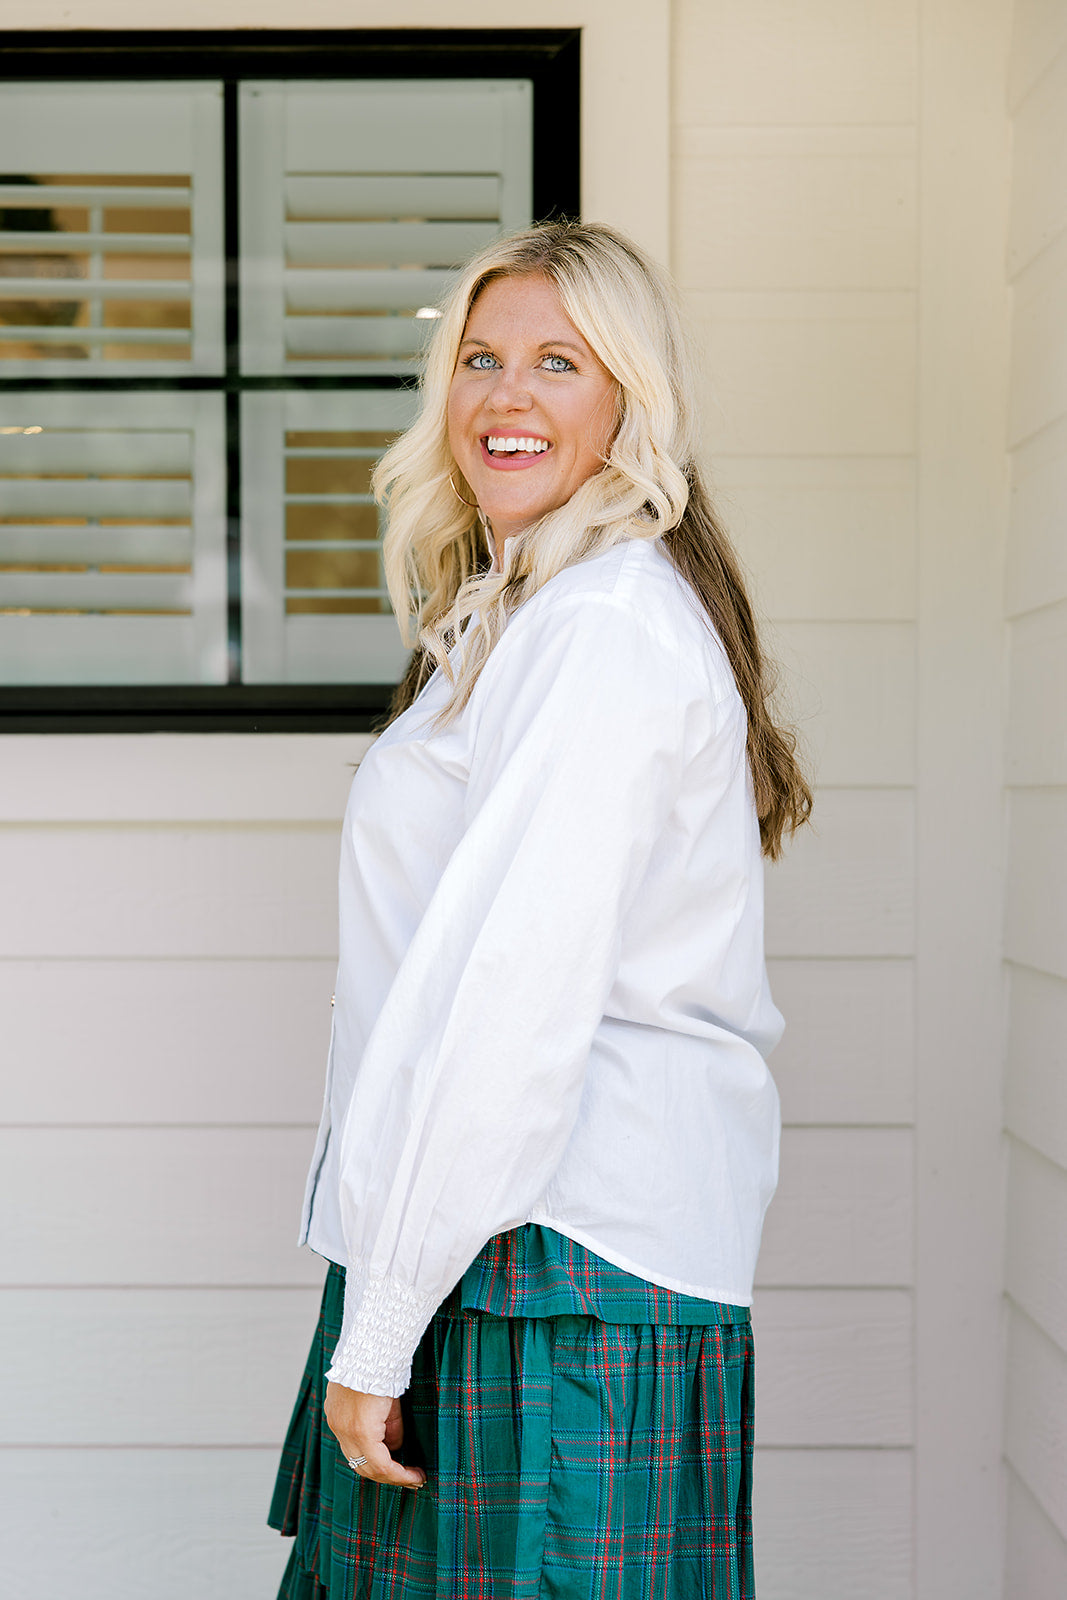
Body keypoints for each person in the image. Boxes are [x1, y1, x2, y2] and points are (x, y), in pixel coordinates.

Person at [268, 221, 812, 1600]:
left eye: (559, 363)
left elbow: (508, 998)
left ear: (632, 400)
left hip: (554, 1267)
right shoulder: (528, 614)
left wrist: (381, 1326)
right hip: (497, 1252)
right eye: (480, 359)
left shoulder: (600, 629)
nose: (506, 396)